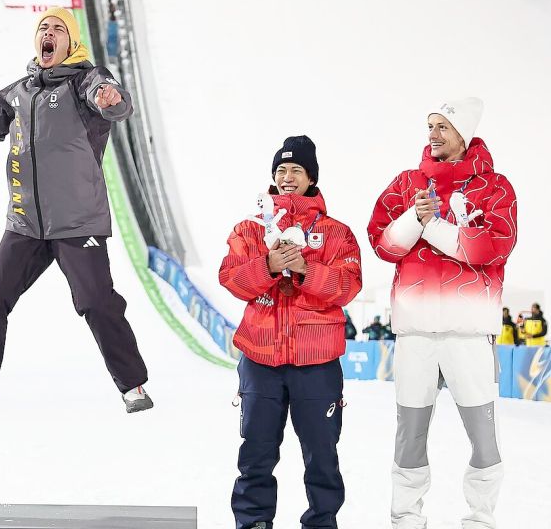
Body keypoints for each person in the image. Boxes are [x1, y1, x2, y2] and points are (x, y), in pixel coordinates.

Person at [0, 7, 151, 425]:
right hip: (25, 225)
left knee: (95, 301)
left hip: (77, 222)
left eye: (57, 29)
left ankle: (132, 384)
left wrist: (112, 99)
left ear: (70, 41)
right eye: (43, 29)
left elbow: (114, 105)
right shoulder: (15, 94)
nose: (48, 34)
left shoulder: (87, 80)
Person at [368, 98, 517, 529]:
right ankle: (406, 517)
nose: (432, 134)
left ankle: (480, 518)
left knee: (482, 436)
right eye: (430, 125)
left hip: (468, 333)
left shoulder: (495, 188)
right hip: (415, 333)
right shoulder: (406, 183)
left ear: (463, 135)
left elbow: (492, 248)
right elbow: (383, 243)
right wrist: (416, 217)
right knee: (409, 434)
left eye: (442, 127)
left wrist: (432, 226)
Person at [219, 135, 362, 529]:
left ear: (311, 177)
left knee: (322, 454)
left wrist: (304, 270)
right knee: (256, 454)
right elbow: (231, 279)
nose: (286, 177)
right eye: (280, 170)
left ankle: (321, 522)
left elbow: (348, 285)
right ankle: (253, 522)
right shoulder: (248, 229)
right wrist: (266, 265)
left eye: (296, 170)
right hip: (260, 359)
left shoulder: (337, 233)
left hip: (317, 363)